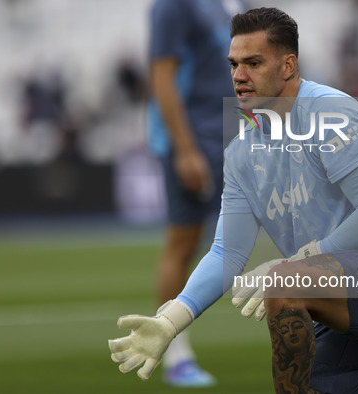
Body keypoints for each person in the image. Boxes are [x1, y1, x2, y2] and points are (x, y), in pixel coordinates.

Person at [110, 7, 358, 393]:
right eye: (233, 63)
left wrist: (297, 262)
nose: (238, 75)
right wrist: (171, 321)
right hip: (334, 290)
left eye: (253, 63)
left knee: (283, 283)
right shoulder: (240, 153)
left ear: (288, 66)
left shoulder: (329, 114)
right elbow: (225, 254)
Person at [145, 0, 245, 387]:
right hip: (194, 139)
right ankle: (175, 352)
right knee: (184, 241)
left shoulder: (234, 3)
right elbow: (162, 76)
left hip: (235, 133)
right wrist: (184, 149)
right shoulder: (173, 6)